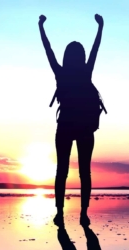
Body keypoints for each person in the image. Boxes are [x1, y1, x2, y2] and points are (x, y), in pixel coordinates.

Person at [38, 14, 104, 227]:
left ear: (67, 57)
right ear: (81, 57)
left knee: (62, 171)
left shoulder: (61, 73)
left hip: (65, 126)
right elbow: (96, 49)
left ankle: (59, 213)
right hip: (84, 128)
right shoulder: (86, 72)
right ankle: (84, 214)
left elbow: (48, 50)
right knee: (85, 171)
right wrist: (100, 27)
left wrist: (41, 27)